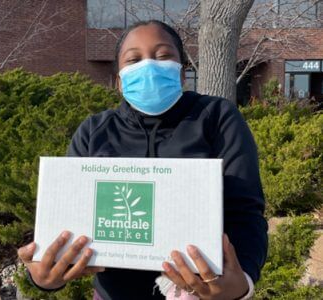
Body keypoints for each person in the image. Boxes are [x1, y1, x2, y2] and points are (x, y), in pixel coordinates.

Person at [18, 20, 268, 300]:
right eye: (133, 59)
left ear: (183, 73)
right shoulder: (94, 131)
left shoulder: (216, 118)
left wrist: (241, 282)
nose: (149, 66)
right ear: (119, 81)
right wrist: (43, 276)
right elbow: (66, 218)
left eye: (163, 56)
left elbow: (245, 211)